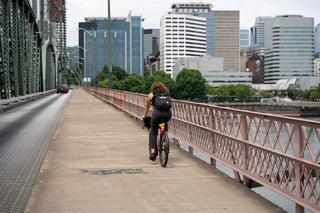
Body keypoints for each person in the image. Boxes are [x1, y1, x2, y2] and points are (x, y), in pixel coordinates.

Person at [143, 81, 172, 161]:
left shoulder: (151, 95)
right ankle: (164, 136)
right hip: (167, 115)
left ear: (153, 88)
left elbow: (147, 107)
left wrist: (144, 115)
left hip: (157, 115)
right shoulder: (166, 94)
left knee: (153, 132)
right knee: (163, 125)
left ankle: (153, 152)